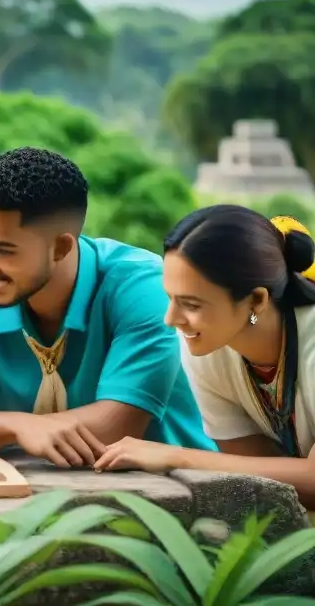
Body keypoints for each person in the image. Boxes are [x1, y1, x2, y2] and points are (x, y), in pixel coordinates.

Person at [0, 147, 213, 468]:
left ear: (61, 247)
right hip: (42, 483)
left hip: (179, 492)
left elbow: (116, 427)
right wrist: (19, 425)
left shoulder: (143, 286)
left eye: (4, 251)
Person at [95, 207, 315, 510]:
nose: (171, 319)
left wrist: (178, 457)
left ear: (256, 300)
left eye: (191, 304)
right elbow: (264, 480)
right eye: (170, 298)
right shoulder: (206, 348)